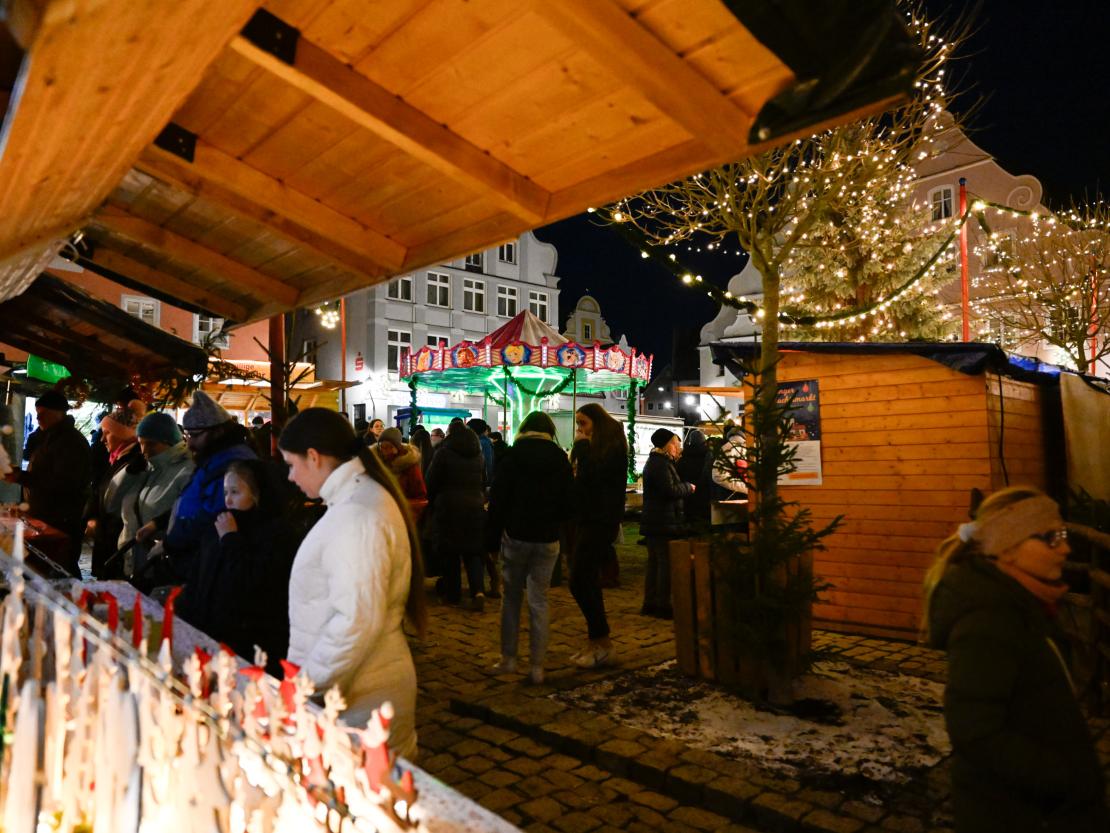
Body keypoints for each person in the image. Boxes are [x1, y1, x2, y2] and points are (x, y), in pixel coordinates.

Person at [924, 487, 1107, 832]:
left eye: (1063, 534)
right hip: (1019, 814)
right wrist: (1062, 778)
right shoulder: (988, 622)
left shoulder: (1024, 603)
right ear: (1007, 549)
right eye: (1050, 538)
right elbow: (975, 731)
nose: (1065, 548)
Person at [278, 408, 426, 757]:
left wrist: (306, 685)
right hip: (360, 692)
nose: (290, 477)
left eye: (291, 464)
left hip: (363, 700)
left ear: (313, 457)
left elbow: (355, 622)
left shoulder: (356, 515)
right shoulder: (356, 501)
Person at [178, 459, 301, 676]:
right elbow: (199, 578)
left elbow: (253, 582)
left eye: (235, 492)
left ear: (257, 493)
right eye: (226, 492)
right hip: (210, 637)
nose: (228, 500)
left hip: (250, 646)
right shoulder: (219, 524)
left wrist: (231, 539)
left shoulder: (275, 534)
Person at [487, 412, 573, 684]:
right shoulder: (559, 457)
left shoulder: (512, 456)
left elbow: (498, 500)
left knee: (511, 598)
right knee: (539, 601)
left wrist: (491, 540)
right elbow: (567, 501)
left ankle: (508, 658)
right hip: (547, 538)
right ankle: (537, 667)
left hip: (517, 535)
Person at [163, 391, 257, 569]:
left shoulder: (232, 464)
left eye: (196, 435)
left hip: (206, 558)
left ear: (218, 431)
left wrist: (172, 541)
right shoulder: (214, 457)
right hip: (198, 554)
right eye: (188, 435)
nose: (189, 444)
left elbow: (212, 515)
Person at [5, 390, 90, 576]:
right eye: (37, 413)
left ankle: (71, 600)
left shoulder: (70, 442)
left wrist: (21, 477)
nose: (37, 419)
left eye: (42, 414)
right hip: (46, 516)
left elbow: (62, 484)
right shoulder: (49, 438)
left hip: (62, 520)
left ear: (58, 413)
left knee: (61, 569)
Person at [569, 403, 627, 668]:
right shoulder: (601, 448)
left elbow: (593, 481)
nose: (580, 430)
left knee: (579, 579)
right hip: (589, 519)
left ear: (597, 423)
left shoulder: (611, 448)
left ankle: (602, 641)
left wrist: (581, 450)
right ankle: (598, 641)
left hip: (600, 520)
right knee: (586, 579)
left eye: (583, 424)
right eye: (578, 424)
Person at [121, 412, 194, 576]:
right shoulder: (147, 468)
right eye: (141, 444)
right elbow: (112, 502)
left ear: (169, 442)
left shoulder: (187, 469)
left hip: (167, 561)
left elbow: (186, 511)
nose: (145, 450)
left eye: (152, 444)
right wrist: (128, 473)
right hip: (141, 559)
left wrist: (158, 526)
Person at [426, 420, 487, 610]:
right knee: (473, 551)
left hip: (449, 507)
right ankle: (478, 591)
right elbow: (483, 480)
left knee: (450, 552)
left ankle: (453, 595)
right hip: (474, 506)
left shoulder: (443, 453)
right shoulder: (478, 454)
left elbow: (431, 480)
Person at [86, 400, 147, 578]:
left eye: (107, 433)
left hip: (117, 541)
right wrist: (92, 516)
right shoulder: (117, 458)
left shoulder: (134, 463)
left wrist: (97, 518)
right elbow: (100, 491)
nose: (103, 439)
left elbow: (120, 504)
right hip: (107, 538)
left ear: (123, 435)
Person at [640, 429, 694, 619]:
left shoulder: (657, 462)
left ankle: (650, 603)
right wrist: (688, 487)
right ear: (666, 445)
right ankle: (662, 604)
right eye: (675, 444)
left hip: (657, 520)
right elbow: (669, 490)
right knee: (663, 564)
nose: (678, 448)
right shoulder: (660, 464)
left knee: (655, 563)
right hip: (663, 521)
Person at [372, 427, 428, 520]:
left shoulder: (409, 465)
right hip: (377, 516)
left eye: (388, 447)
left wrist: (401, 505)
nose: (384, 451)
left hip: (401, 517)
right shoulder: (375, 463)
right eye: (382, 447)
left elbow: (420, 497)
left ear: (397, 447)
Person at [675, 429, 711, 527]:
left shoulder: (684, 457)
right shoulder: (708, 456)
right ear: (704, 442)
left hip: (688, 495)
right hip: (704, 495)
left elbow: (678, 475)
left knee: (690, 522)